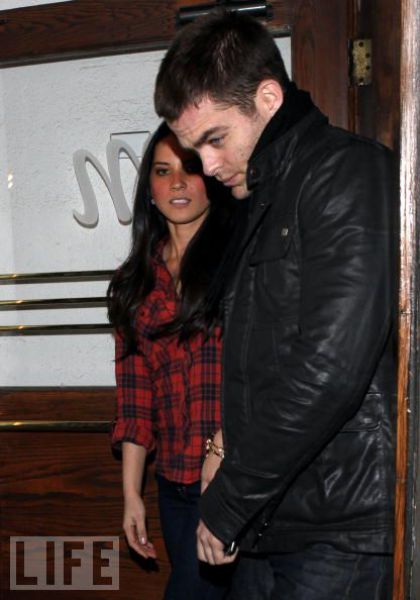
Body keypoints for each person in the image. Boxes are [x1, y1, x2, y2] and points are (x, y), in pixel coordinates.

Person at [153, 10, 397, 600]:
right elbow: (262, 362)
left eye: (214, 139)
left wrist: (230, 498)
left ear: (267, 98)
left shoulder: (347, 172)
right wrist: (224, 448)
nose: (207, 166)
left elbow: (330, 367)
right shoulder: (262, 198)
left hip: (336, 525)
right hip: (274, 517)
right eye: (194, 148)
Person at [108, 121, 235, 600]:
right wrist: (131, 495)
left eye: (190, 169)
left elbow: (265, 374)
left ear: (212, 178)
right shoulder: (134, 281)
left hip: (235, 479)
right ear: (149, 188)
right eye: (163, 171)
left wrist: (223, 450)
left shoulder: (239, 261)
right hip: (173, 486)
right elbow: (134, 400)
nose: (177, 183)